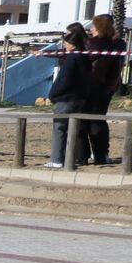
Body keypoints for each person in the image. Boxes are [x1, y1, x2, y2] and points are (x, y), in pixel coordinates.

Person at [81, 14, 125, 165]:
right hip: (104, 88)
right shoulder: (117, 43)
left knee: (92, 122)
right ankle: (99, 154)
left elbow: (86, 60)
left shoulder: (97, 43)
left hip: (95, 87)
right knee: (96, 121)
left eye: (94, 26)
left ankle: (94, 154)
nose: (91, 29)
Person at [48, 23, 90, 168]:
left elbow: (65, 79)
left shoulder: (72, 58)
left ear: (72, 44)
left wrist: (53, 94)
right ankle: (71, 158)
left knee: (59, 127)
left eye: (66, 42)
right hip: (80, 97)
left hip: (67, 98)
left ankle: (57, 159)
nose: (64, 45)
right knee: (73, 128)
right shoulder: (85, 57)